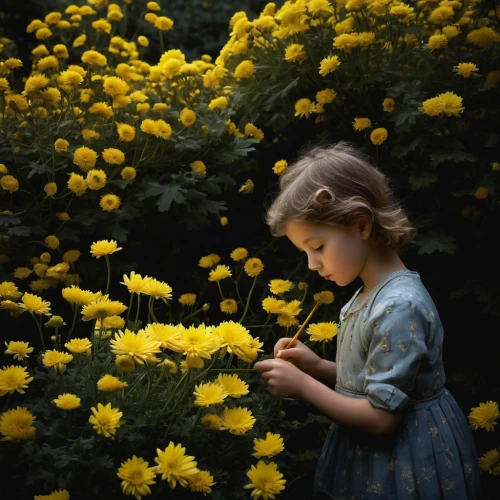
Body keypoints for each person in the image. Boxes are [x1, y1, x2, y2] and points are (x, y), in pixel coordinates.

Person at [254, 142, 481, 499]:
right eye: (305, 252)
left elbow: (381, 418)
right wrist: (316, 367)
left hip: (404, 462)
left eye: (318, 247)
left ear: (360, 225)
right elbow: (377, 381)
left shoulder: (398, 306)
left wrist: (303, 386)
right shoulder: (369, 293)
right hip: (372, 457)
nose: (312, 264)